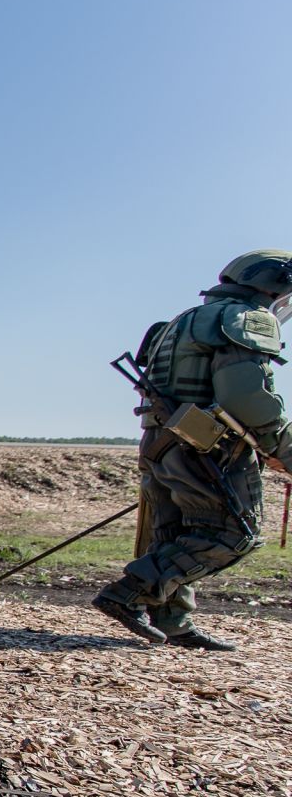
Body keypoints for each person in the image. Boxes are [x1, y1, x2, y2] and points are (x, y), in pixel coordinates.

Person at [94, 250, 292, 651]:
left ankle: (172, 621)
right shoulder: (246, 318)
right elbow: (246, 395)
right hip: (207, 447)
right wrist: (281, 448)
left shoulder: (180, 322)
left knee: (174, 533)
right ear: (275, 286)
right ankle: (128, 592)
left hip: (162, 441)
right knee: (233, 535)